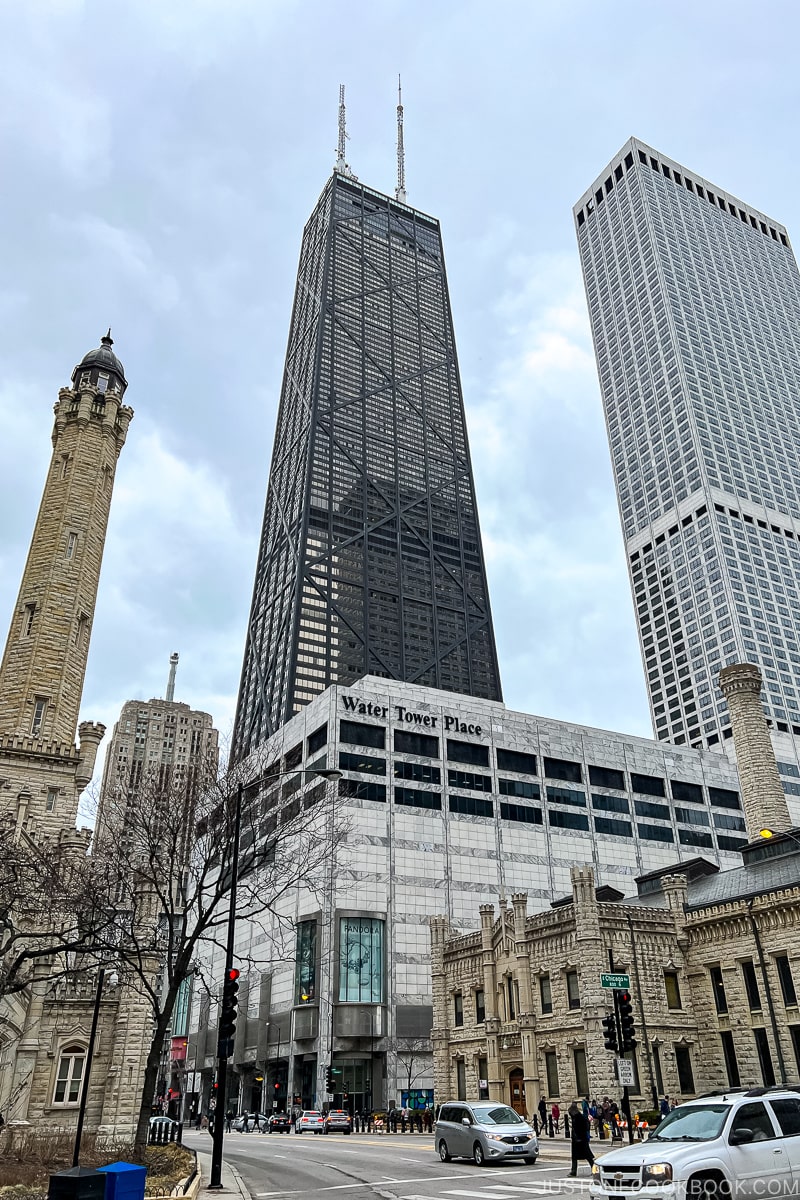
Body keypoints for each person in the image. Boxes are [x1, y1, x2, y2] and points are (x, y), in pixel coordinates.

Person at [568, 1101, 595, 1178]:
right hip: (576, 1140)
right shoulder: (575, 1117)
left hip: (581, 1140)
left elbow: (584, 1127)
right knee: (574, 1157)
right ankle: (573, 1171)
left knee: (588, 1156)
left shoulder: (579, 1117)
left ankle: (594, 1169)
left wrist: (580, 1137)